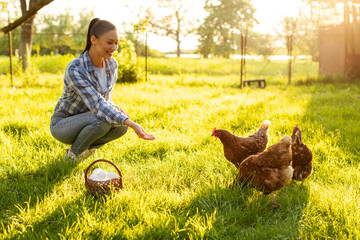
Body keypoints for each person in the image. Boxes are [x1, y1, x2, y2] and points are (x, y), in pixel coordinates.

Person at [50, 18, 155, 160]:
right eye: (109, 42)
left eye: (116, 43)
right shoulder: (76, 68)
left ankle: (87, 150)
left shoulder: (112, 65)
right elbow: (97, 104)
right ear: (93, 40)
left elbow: (106, 99)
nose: (114, 48)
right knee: (105, 120)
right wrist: (131, 123)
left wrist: (119, 112)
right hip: (64, 124)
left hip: (91, 118)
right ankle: (72, 156)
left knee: (120, 126)